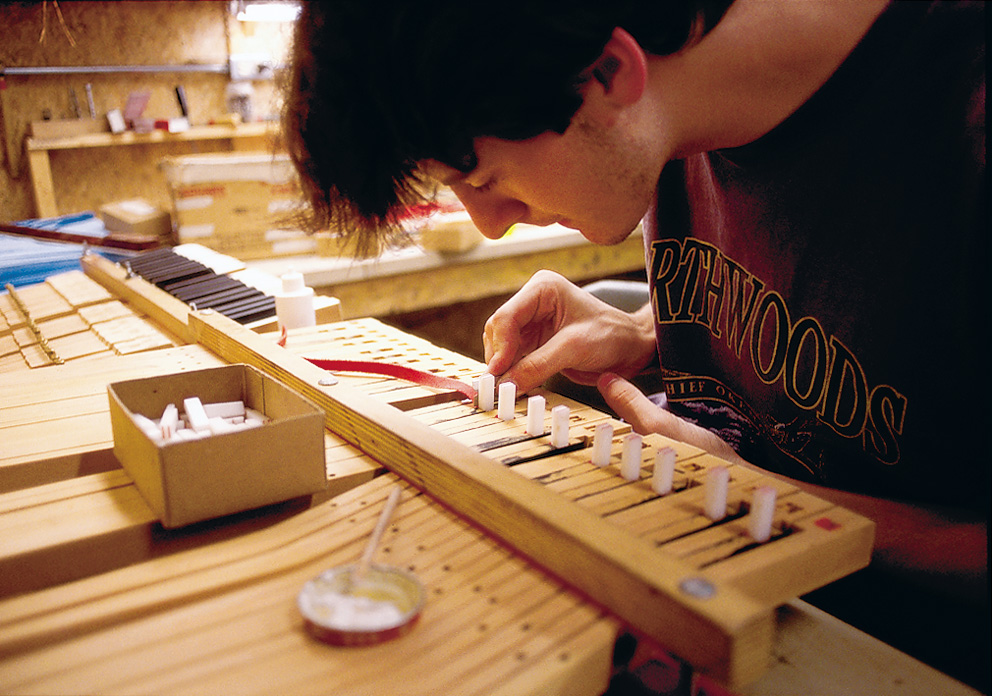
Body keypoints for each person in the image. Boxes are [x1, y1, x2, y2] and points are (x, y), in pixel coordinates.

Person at [285, 1, 988, 689]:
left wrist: (770, 500)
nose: (490, 226)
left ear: (612, 72)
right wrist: (649, 328)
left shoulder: (963, 114)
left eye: (483, 178)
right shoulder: (667, 109)